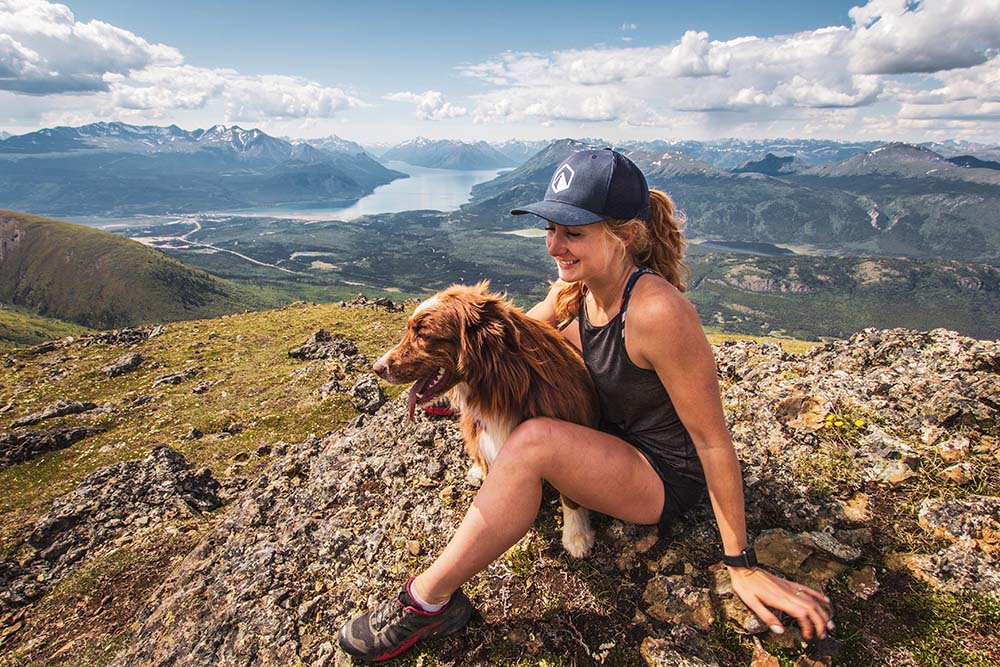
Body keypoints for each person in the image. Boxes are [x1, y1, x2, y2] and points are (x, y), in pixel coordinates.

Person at [338, 148, 833, 662]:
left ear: (625, 236)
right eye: (551, 228)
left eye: (573, 233)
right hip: (607, 442)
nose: (555, 245)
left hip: (660, 474)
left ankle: (428, 602)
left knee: (532, 442)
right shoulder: (573, 290)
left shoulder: (658, 312)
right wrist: (447, 380)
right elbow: (509, 345)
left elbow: (712, 440)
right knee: (515, 418)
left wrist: (742, 562)